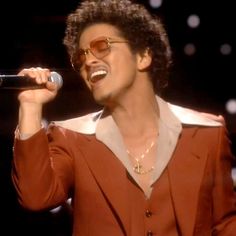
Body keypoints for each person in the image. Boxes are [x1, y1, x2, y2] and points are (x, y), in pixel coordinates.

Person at [11, 0, 236, 235]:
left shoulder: (207, 134)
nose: (88, 61)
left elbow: (225, 224)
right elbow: (36, 197)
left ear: (143, 57)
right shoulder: (71, 137)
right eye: (81, 57)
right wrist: (30, 106)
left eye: (102, 46)